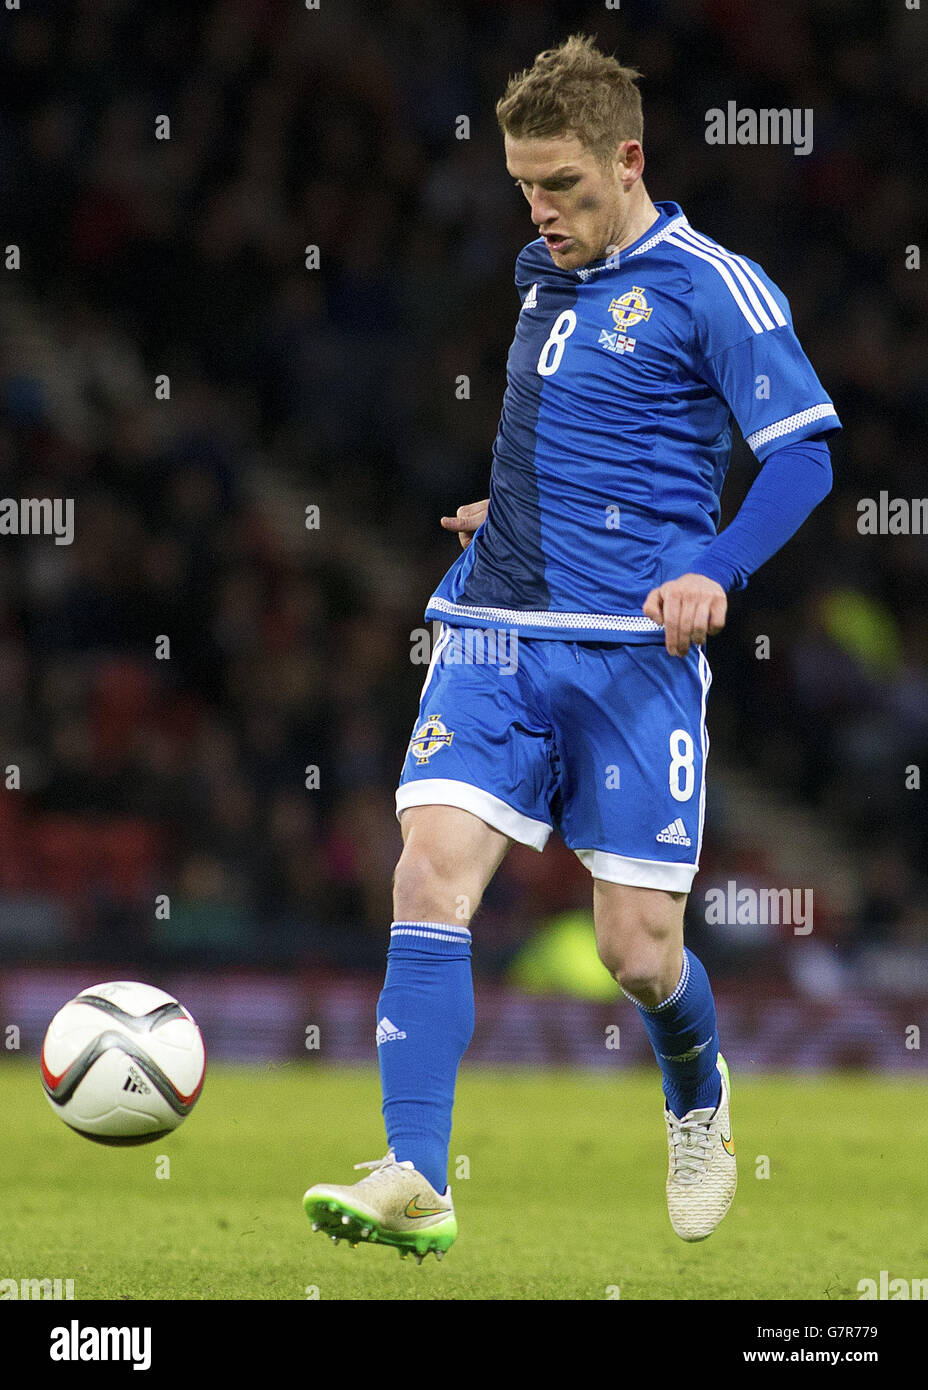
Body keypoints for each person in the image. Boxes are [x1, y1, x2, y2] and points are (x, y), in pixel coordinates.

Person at [304, 33, 840, 1261]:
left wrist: (712, 564)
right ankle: (417, 1174)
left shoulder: (717, 286)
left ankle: (697, 1094)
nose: (540, 212)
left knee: (634, 950)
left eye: (563, 186)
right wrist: (523, 508)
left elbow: (803, 454)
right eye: (524, 187)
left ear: (629, 160)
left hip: (630, 656)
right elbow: (574, 414)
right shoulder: (545, 270)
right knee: (427, 870)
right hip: (493, 628)